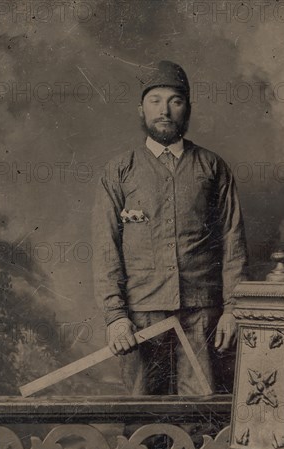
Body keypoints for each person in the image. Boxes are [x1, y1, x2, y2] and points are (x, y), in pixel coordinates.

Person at [92, 60, 248, 397]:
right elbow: (106, 249)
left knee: (203, 421)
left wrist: (233, 311)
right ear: (141, 109)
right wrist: (116, 317)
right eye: (155, 100)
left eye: (175, 101)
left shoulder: (213, 167)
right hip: (141, 319)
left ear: (187, 109)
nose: (165, 110)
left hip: (203, 315)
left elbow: (233, 244)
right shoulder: (120, 170)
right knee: (143, 425)